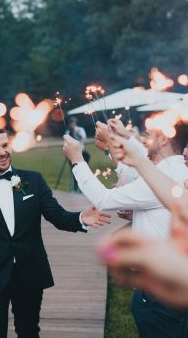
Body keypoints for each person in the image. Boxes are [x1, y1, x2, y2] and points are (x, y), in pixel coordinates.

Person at [0, 127, 110, 338]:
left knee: (29, 331)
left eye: (5, 145)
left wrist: (80, 219)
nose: (2, 152)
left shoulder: (33, 179)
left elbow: (56, 215)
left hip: (29, 271)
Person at [63, 120, 188, 338]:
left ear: (164, 138)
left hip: (160, 291)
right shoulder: (174, 170)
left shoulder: (163, 176)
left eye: (149, 135)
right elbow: (139, 172)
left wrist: (77, 160)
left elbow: (104, 200)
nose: (144, 139)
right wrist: (120, 138)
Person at [67, 117, 89, 192]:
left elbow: (83, 138)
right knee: (74, 171)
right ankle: (75, 187)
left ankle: (84, 187)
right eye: (71, 122)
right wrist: (70, 132)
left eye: (73, 122)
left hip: (81, 151)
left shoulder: (80, 129)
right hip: (72, 153)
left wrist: (76, 131)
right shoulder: (68, 131)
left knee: (83, 170)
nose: (72, 123)